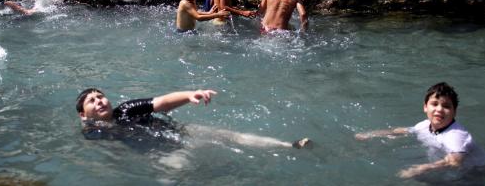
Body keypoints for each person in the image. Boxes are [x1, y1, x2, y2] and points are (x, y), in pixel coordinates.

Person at [76, 87, 310, 148]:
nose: (100, 101)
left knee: (231, 136)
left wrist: (189, 95)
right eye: (92, 101)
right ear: (82, 113)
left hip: (178, 133)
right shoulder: (93, 134)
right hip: (161, 153)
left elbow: (161, 102)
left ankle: (288, 145)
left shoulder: (126, 109)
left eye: (101, 96)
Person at [355, 82, 485, 179]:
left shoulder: (456, 135)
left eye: (446, 106)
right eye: (434, 104)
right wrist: (371, 134)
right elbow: (400, 131)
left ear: (454, 112)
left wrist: (421, 168)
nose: (439, 109)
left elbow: (455, 161)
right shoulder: (424, 125)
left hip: (469, 177)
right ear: (425, 107)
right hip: (446, 173)